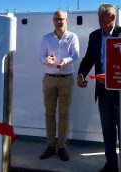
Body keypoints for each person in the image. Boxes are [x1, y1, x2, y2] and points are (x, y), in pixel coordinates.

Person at [77, 3, 121, 172]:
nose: (99, 20)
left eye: (102, 17)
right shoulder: (95, 36)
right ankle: (111, 163)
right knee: (108, 129)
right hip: (103, 92)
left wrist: (111, 78)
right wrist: (81, 74)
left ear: (112, 17)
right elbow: (89, 58)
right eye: (98, 16)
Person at [39, 10, 79, 161]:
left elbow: (76, 55)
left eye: (61, 19)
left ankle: (61, 147)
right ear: (53, 21)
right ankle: (50, 145)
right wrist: (46, 60)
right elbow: (41, 56)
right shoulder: (46, 38)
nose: (58, 21)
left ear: (66, 20)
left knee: (64, 114)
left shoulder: (72, 37)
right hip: (49, 79)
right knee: (49, 113)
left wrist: (66, 60)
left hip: (66, 79)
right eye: (56, 19)